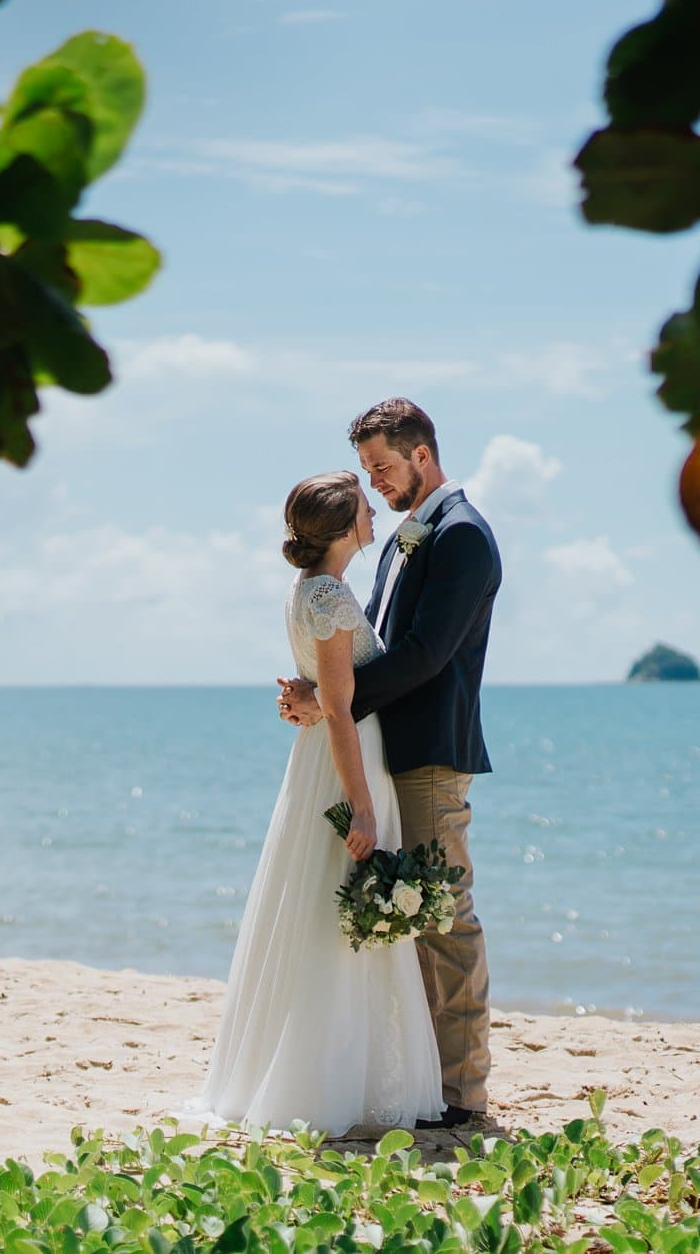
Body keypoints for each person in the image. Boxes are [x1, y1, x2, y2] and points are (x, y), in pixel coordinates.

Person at [190, 469, 445, 1136]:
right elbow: (337, 708)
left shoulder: (310, 588)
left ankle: (325, 1072)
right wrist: (361, 805)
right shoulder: (329, 593)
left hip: (326, 759)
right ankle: (329, 1084)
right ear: (340, 528)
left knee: (316, 906)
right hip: (345, 762)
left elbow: (323, 692)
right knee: (338, 909)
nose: (373, 514)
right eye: (363, 507)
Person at [277, 398, 501, 1130]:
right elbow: (366, 644)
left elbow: (426, 655)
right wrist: (322, 697)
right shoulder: (409, 535)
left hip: (429, 750)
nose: (373, 483)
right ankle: (423, 1081)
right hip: (385, 750)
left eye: (381, 467)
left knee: (446, 918)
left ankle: (462, 1092)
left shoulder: (460, 534)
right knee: (410, 918)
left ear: (421, 455)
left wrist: (327, 701)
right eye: (366, 470)